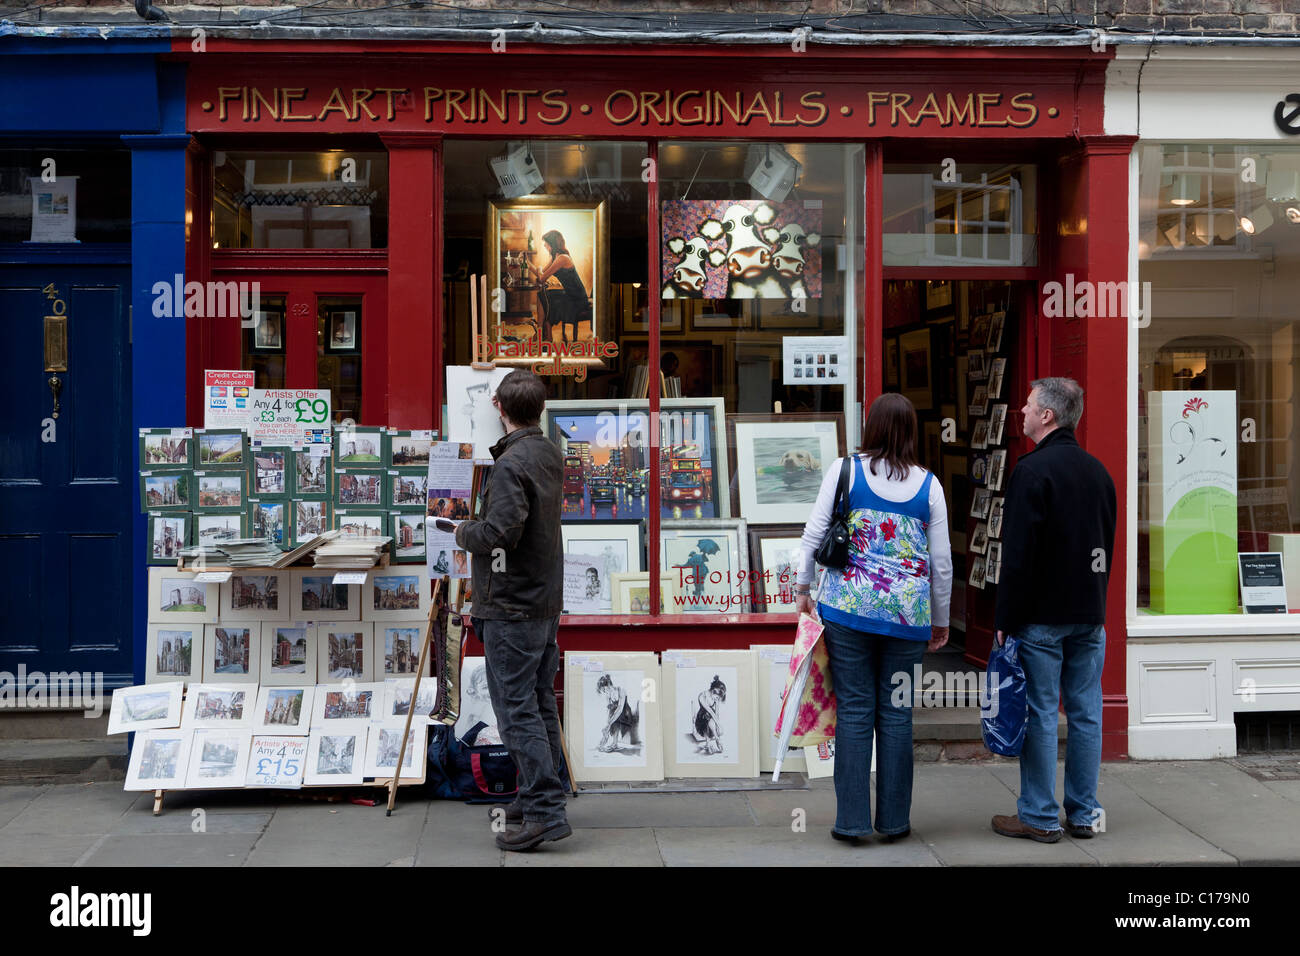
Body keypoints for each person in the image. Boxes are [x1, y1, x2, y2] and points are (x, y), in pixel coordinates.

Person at [796, 392, 952, 845]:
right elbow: (940, 563)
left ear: (872, 426)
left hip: (847, 612)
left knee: (856, 711)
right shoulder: (930, 486)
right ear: (911, 432)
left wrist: (802, 591)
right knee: (898, 714)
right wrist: (940, 619)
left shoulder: (845, 470)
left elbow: (813, 534)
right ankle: (894, 822)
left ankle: (852, 823)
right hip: (907, 618)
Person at [991, 377, 1116, 844]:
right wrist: (1097, 602)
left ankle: (1040, 816)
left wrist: (1005, 619)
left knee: (1042, 712)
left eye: (1027, 405)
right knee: (1086, 713)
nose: (1021, 411)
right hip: (1089, 612)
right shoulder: (1099, 472)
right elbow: (1106, 548)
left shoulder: (1032, 471)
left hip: (1042, 615)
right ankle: (1084, 814)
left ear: (1047, 416)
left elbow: (1018, 555)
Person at [455, 369, 568, 851]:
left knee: (517, 709)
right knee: (538, 702)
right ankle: (538, 793)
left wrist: (459, 532)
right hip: (540, 601)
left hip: (513, 606)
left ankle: (545, 810)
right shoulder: (545, 452)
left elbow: (500, 533)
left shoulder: (511, 463)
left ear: (498, 406)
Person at [528, 230, 591, 343]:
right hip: (568, 294)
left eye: (546, 243)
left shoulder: (562, 258)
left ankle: (542, 333)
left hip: (577, 298)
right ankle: (542, 332)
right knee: (542, 294)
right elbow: (541, 275)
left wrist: (539, 270)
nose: (544, 245)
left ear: (552, 243)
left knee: (546, 297)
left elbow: (542, 278)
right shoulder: (556, 257)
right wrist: (528, 264)